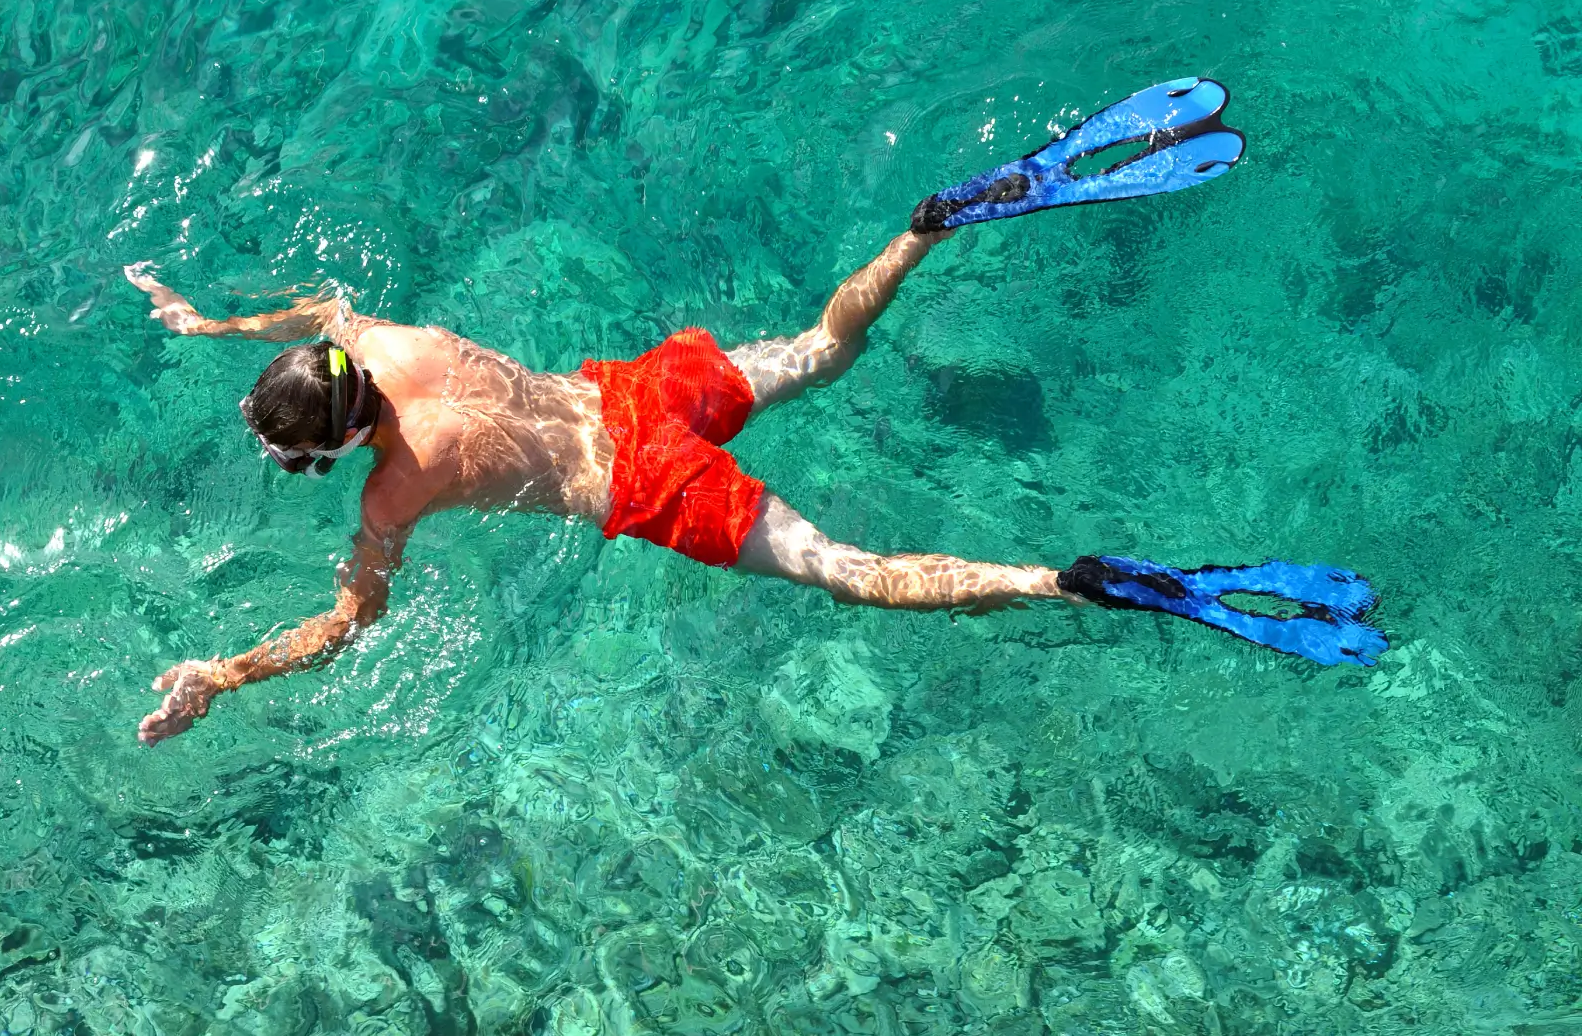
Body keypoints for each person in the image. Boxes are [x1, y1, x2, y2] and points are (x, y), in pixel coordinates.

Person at [123, 79, 1383, 746]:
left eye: (305, 458)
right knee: (824, 350)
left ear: (344, 437)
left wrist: (221, 674)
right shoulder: (372, 335)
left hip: (646, 485)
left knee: (856, 572)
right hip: (637, 387)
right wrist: (215, 325)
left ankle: (1073, 579)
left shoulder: (395, 485)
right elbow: (318, 305)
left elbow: (347, 624)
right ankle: (929, 224)